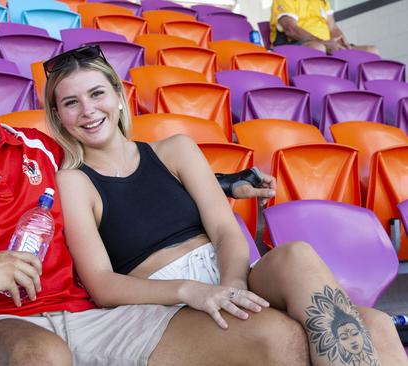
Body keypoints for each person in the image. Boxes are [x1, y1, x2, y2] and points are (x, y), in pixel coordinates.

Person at [0, 4, 310, 366]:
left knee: (272, 337)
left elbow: (128, 176)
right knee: (40, 354)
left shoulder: (42, 147)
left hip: (89, 317)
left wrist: (226, 183)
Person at [46, 45, 407, 366]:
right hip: (167, 299)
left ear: (119, 95)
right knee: (293, 333)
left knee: (362, 313)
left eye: (97, 93)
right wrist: (192, 290)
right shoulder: (73, 181)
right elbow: (103, 284)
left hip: (230, 270)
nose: (88, 110)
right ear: (58, 115)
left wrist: (233, 284)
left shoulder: (176, 150)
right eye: (71, 102)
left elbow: (224, 229)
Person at [270, 0, 379, 55]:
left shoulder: (322, 1)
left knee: (371, 51)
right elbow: (290, 29)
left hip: (328, 44)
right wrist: (323, 43)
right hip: (298, 45)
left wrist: (342, 43)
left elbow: (333, 28)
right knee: (318, 48)